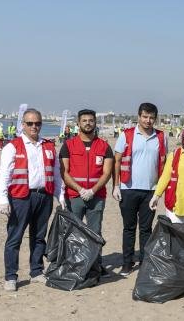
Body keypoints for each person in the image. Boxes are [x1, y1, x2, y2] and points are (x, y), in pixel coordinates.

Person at [0, 108, 64, 291]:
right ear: (23, 125)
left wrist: (61, 195)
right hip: (20, 197)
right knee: (14, 237)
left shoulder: (49, 146)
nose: (34, 127)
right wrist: (3, 199)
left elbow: (56, 174)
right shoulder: (13, 146)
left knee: (39, 236)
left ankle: (36, 271)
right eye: (30, 123)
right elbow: (4, 174)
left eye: (38, 123)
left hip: (45, 196)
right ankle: (11, 277)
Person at [113, 102, 168, 276]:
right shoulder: (126, 135)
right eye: (145, 116)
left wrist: (159, 191)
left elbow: (164, 163)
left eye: (151, 117)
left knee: (146, 229)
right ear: (139, 117)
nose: (148, 120)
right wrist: (116, 185)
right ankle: (127, 263)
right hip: (128, 188)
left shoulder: (161, 137)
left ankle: (145, 262)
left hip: (150, 191)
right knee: (129, 228)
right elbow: (117, 160)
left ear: (155, 119)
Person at [60, 109, 114, 273]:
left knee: (95, 232)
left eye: (91, 120)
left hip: (96, 197)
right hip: (74, 196)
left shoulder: (104, 146)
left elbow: (107, 172)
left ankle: (95, 266)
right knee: (73, 231)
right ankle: (73, 264)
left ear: (95, 123)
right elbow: (64, 172)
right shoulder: (68, 145)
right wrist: (80, 189)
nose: (88, 123)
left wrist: (93, 190)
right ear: (78, 123)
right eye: (84, 121)